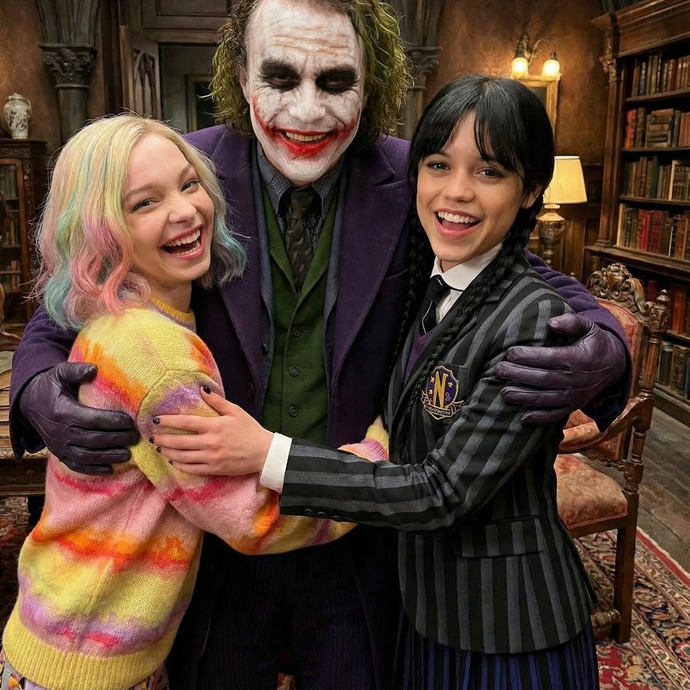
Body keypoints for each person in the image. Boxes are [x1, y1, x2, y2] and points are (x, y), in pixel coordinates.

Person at [9, 0, 629, 690]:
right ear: (242, 77)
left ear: (371, 85)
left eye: (335, 82)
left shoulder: (420, 177)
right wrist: (37, 386)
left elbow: (523, 272)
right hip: (215, 551)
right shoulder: (184, 177)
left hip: (358, 548)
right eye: (280, 78)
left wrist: (609, 343)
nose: (306, 110)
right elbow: (74, 291)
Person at [155, 74, 601, 690]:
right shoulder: (435, 284)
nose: (457, 191)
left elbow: (442, 491)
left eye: (490, 172)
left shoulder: (530, 318)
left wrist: (267, 454)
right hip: (425, 612)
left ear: (530, 192)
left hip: (508, 626)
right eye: (438, 165)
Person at [0, 114, 388, 690]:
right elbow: (252, 518)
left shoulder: (137, 316)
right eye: (144, 203)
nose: (184, 210)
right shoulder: (155, 357)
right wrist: (378, 456)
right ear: (101, 232)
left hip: (79, 639)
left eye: (188, 185)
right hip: (89, 662)